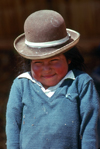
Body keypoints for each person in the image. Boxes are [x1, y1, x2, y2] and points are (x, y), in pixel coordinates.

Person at [6, 10, 100, 149]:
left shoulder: (81, 83)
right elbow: (13, 128)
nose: (46, 68)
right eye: (38, 62)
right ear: (29, 63)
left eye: (54, 60)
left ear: (68, 59)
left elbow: (90, 129)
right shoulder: (21, 85)